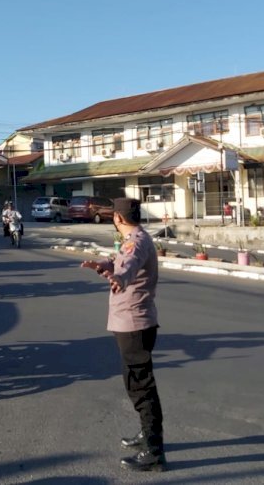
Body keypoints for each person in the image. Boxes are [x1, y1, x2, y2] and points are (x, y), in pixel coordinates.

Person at [80, 198, 165, 472]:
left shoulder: (135, 241)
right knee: (135, 384)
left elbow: (129, 263)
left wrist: (120, 277)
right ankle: (147, 434)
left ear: (117, 218)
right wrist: (104, 265)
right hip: (131, 322)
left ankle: (154, 452)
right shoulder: (136, 237)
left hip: (134, 323)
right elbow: (121, 260)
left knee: (141, 387)